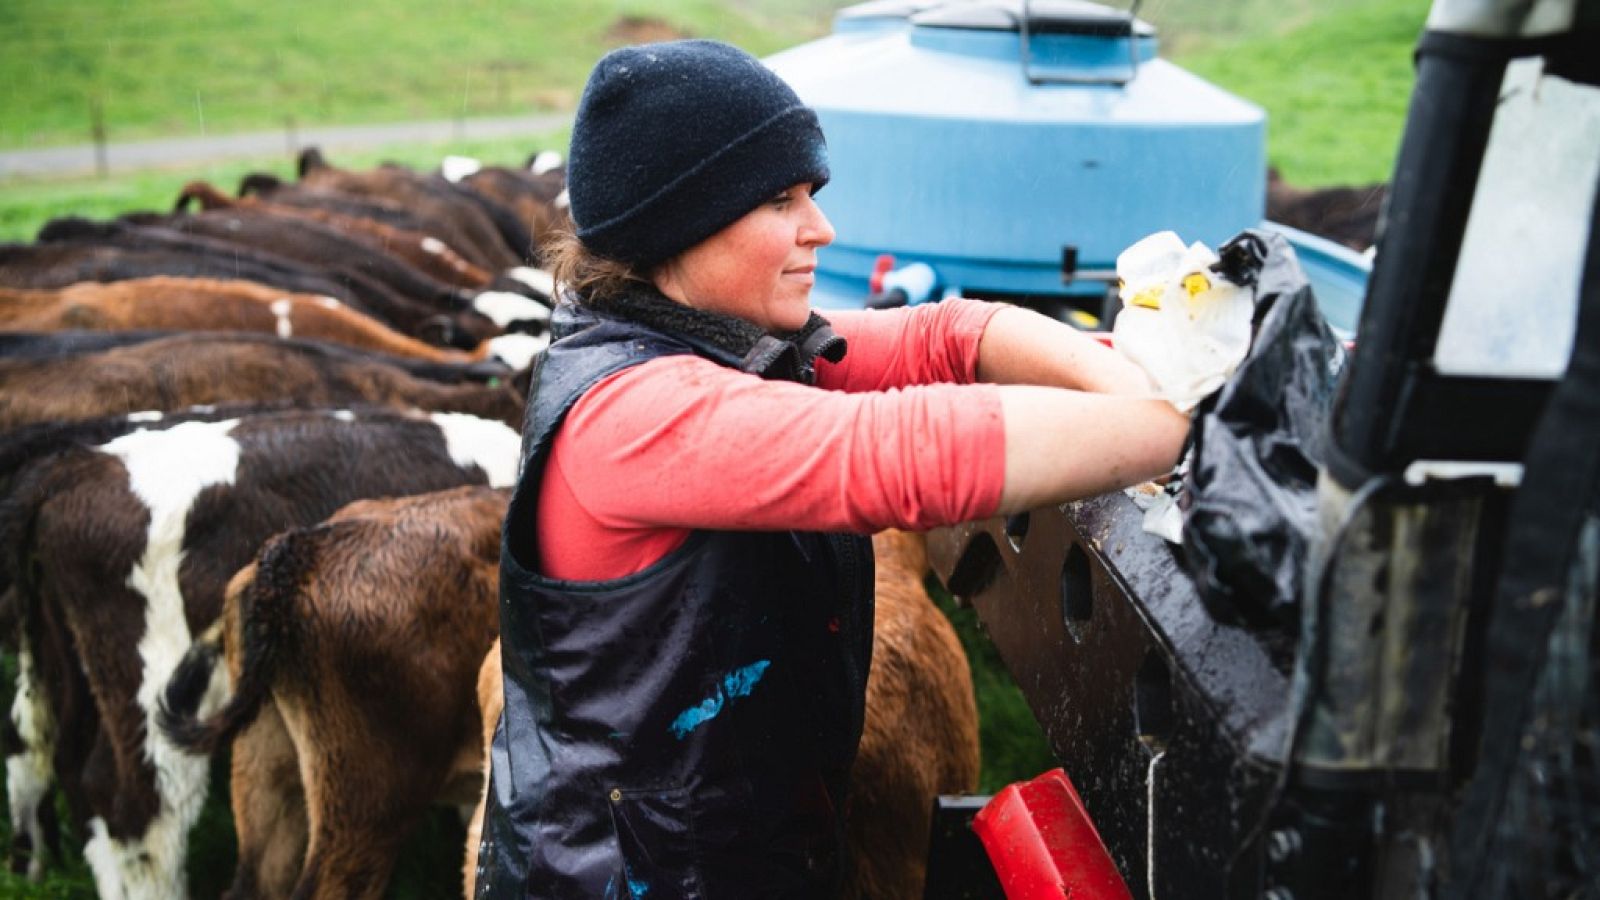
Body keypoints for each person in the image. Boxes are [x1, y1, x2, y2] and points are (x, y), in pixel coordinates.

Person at [473, 39, 1188, 899]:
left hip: (725, 847)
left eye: (812, 193)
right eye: (780, 200)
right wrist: (1186, 433)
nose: (821, 228)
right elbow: (910, 456)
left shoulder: (729, 341)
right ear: (677, 223)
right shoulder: (634, 414)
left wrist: (1147, 390)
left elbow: (954, 334)